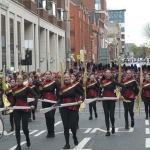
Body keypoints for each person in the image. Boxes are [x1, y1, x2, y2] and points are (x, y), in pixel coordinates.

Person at [7, 75, 38, 150]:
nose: (19, 80)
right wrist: (9, 106)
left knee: (25, 128)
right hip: (17, 110)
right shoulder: (14, 89)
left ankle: (27, 138)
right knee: (17, 127)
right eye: (18, 79)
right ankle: (18, 145)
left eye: (21, 79)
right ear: (16, 80)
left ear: (23, 80)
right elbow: (14, 101)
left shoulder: (26, 88)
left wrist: (33, 105)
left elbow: (36, 95)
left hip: (25, 110)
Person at [55, 73, 85, 149]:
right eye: (65, 77)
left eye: (68, 77)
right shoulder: (61, 88)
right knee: (65, 127)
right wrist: (56, 104)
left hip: (73, 108)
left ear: (70, 78)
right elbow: (60, 99)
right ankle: (67, 144)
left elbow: (82, 94)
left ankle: (74, 136)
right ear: (63, 79)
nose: (66, 78)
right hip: (64, 108)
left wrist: (81, 100)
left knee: (73, 126)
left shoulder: (75, 86)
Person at [100, 69, 124, 136]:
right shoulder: (102, 82)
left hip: (112, 100)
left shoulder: (114, 82)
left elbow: (123, 86)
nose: (108, 74)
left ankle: (113, 126)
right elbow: (99, 89)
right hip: (105, 100)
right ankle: (107, 130)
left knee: (112, 116)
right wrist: (98, 97)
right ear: (105, 74)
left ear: (111, 74)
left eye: (109, 73)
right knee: (106, 116)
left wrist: (120, 93)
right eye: (106, 73)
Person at [39, 71, 60, 138]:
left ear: (51, 75)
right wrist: (37, 98)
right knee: (47, 117)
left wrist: (58, 100)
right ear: (45, 76)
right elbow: (40, 93)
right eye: (46, 74)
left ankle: (52, 131)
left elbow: (59, 92)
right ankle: (48, 131)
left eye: (49, 74)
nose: (47, 75)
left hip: (52, 101)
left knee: (51, 116)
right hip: (45, 102)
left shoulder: (54, 83)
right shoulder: (42, 84)